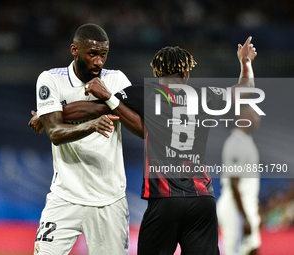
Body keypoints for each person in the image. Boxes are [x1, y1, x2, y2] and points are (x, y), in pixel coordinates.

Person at [29, 36, 257, 255]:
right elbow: (245, 90)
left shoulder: (145, 93)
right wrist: (245, 62)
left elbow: (94, 108)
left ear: (157, 72)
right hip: (202, 200)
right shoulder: (206, 96)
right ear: (186, 71)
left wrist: (46, 113)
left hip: (165, 201)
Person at [33, 23, 133, 255]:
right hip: (64, 198)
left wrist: (51, 112)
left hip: (109, 200)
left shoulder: (116, 80)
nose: (99, 61)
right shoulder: (51, 80)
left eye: (103, 55)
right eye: (92, 54)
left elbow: (137, 119)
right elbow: (55, 133)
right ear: (74, 50)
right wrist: (92, 123)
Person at [217, 105, 261, 255]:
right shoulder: (236, 143)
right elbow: (234, 183)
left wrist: (254, 210)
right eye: (254, 114)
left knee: (253, 249)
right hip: (234, 209)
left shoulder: (246, 141)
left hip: (246, 208)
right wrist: (245, 217)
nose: (258, 118)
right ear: (243, 116)